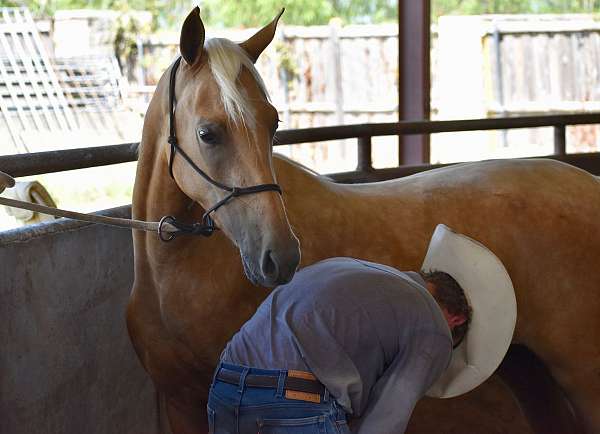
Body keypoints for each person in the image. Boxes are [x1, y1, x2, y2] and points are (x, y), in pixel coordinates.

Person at [207, 257, 471, 434]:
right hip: (293, 400)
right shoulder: (435, 328)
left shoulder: (350, 267)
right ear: (456, 319)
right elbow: (386, 419)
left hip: (226, 383)